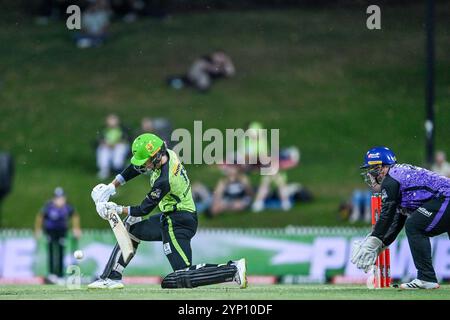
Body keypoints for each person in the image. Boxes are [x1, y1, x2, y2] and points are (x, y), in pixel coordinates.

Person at [88, 133, 247, 289]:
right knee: (131, 229)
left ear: (157, 156)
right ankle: (110, 278)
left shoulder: (165, 179)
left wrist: (115, 208)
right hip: (171, 217)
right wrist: (112, 186)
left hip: (179, 222)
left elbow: (143, 209)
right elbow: (135, 168)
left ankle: (233, 269)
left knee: (181, 275)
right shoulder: (167, 153)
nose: (144, 166)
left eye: (147, 161)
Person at [351, 146, 450, 289]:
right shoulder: (397, 177)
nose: (370, 175)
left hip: (446, 198)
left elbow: (387, 214)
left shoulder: (390, 180)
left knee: (414, 225)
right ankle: (426, 278)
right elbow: (396, 222)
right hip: (445, 197)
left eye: (371, 169)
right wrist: (380, 244)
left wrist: (373, 241)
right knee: (414, 224)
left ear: (381, 167)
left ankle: (426, 278)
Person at [34, 187, 82, 282]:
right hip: (50, 231)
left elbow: (75, 216)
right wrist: (38, 230)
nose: (60, 200)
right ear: (54, 199)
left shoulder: (67, 207)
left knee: (60, 252)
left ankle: (60, 275)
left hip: (62, 232)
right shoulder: (48, 206)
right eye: (58, 198)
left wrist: (76, 228)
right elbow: (40, 217)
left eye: (62, 198)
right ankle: (51, 274)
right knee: (51, 251)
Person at [167, 51, 235, 91]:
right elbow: (206, 68)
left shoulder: (223, 65)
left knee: (202, 84)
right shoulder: (206, 59)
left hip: (203, 80)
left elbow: (230, 73)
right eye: (219, 56)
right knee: (183, 81)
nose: (220, 59)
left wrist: (227, 61)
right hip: (195, 76)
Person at [96, 114, 130, 180]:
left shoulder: (122, 129)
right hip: (107, 147)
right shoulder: (104, 130)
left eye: (113, 120)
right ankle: (104, 170)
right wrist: (105, 143)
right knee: (103, 150)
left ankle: (118, 168)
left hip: (118, 146)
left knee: (119, 149)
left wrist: (116, 143)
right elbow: (99, 139)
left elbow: (126, 139)